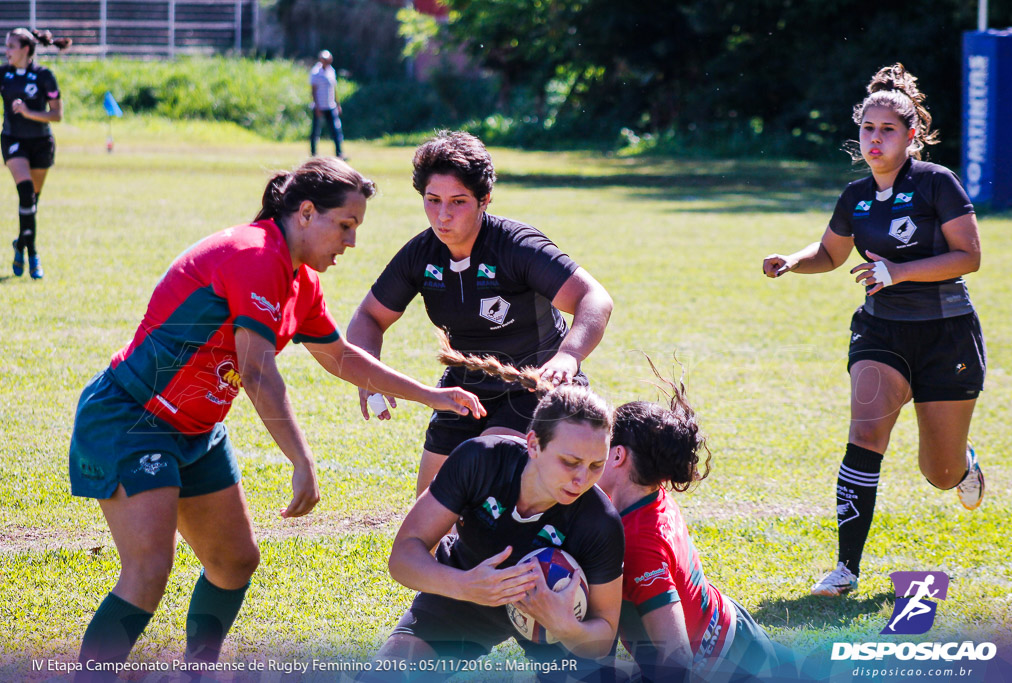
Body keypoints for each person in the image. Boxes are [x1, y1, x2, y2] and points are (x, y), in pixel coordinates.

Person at [68, 157, 484, 680]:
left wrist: (431, 395)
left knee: (234, 562)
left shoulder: (297, 280)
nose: (351, 242)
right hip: (133, 418)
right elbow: (257, 371)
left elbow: (343, 357)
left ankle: (198, 672)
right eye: (346, 225)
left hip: (195, 431)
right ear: (306, 213)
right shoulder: (256, 254)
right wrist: (301, 459)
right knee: (149, 570)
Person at [762, 63, 985, 597]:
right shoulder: (855, 195)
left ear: (911, 135)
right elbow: (831, 253)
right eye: (867, 128)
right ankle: (845, 570)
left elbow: (969, 256)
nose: (875, 138)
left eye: (887, 129)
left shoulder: (936, 183)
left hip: (947, 335)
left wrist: (899, 270)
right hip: (881, 332)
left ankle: (963, 467)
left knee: (939, 472)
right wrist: (793, 260)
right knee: (865, 435)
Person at [347, 130, 614, 495]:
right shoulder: (422, 255)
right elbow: (368, 318)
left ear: (484, 199)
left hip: (532, 387)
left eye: (458, 201)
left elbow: (594, 298)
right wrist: (368, 372)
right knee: (429, 505)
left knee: (483, 464)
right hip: (462, 389)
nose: (443, 215)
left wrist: (568, 356)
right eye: (432, 200)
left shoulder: (516, 246)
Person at [372, 349, 624, 680]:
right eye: (570, 462)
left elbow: (603, 634)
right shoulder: (480, 461)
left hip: (556, 620)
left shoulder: (599, 521)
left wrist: (566, 626)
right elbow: (403, 557)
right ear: (533, 444)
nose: (582, 479)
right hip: (466, 589)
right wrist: (465, 586)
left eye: (596, 465)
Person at [597, 365, 781, 682]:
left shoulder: (639, 543)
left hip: (726, 666)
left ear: (617, 456)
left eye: (599, 443)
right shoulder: (650, 494)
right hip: (734, 631)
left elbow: (677, 661)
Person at [3, 28, 71, 280]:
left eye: (11, 46)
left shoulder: (44, 76)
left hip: (41, 143)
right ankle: (32, 253)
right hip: (13, 141)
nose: (7, 50)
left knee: (31, 203)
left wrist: (28, 111)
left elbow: (57, 115)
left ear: (26, 50)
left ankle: (20, 243)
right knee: (26, 193)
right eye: (6, 45)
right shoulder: (3, 74)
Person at [309, 49, 345, 158]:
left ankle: (339, 153)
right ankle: (313, 153)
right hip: (320, 106)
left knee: (336, 130)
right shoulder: (316, 71)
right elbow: (313, 90)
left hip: (330, 105)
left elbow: (334, 89)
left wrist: (337, 104)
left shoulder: (331, 71)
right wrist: (317, 107)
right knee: (315, 131)